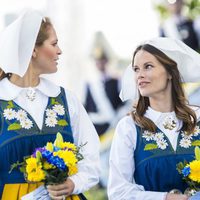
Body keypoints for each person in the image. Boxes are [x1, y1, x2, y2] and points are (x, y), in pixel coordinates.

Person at [0, 9, 100, 200]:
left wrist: (73, 183)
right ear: (33, 49)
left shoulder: (66, 99)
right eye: (54, 44)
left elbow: (91, 158)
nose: (60, 50)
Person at [108, 37, 200, 200]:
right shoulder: (129, 127)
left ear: (170, 72)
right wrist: (165, 198)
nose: (140, 75)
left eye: (148, 67)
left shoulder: (197, 118)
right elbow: (118, 192)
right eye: (136, 69)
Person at [83, 47, 126, 136]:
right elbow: (87, 106)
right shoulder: (90, 84)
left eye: (102, 60)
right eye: (97, 61)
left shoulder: (117, 80)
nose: (100, 64)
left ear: (106, 61)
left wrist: (118, 117)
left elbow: (123, 103)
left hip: (114, 125)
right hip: (96, 128)